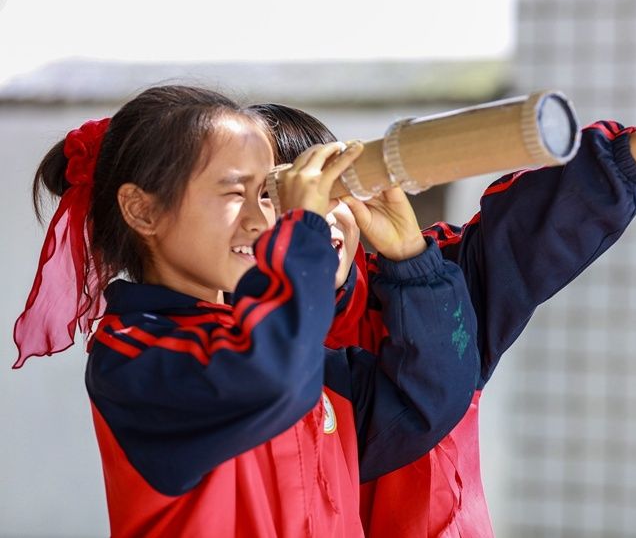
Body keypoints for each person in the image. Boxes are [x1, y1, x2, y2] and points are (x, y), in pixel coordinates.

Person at [250, 79, 636, 537]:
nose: (317, 216)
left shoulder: (430, 283)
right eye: (284, 198)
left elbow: (532, 229)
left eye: (332, 188)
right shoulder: (219, 349)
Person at [14, 85, 480, 537]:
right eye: (236, 193)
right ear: (143, 211)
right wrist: (305, 232)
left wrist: (409, 258)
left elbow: (425, 402)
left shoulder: (280, 344)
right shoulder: (135, 355)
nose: (262, 221)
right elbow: (270, 378)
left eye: (267, 195)